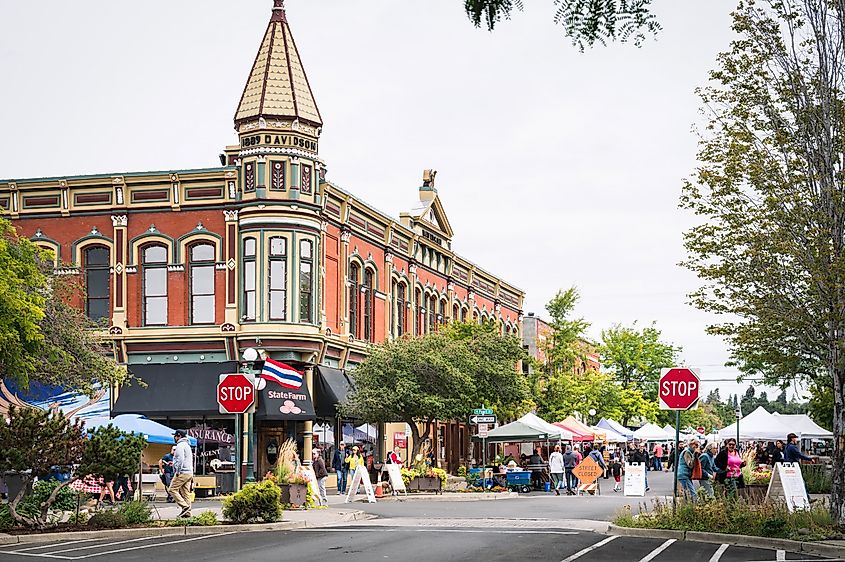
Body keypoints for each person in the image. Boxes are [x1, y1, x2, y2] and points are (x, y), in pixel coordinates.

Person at [169, 429, 194, 518]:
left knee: (172, 489)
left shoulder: (180, 445)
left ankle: (185, 506)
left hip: (182, 472)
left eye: (175, 436)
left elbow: (180, 459)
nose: (174, 437)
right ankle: (188, 513)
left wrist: (177, 471)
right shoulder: (187, 445)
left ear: (178, 436)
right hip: (189, 472)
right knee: (185, 492)